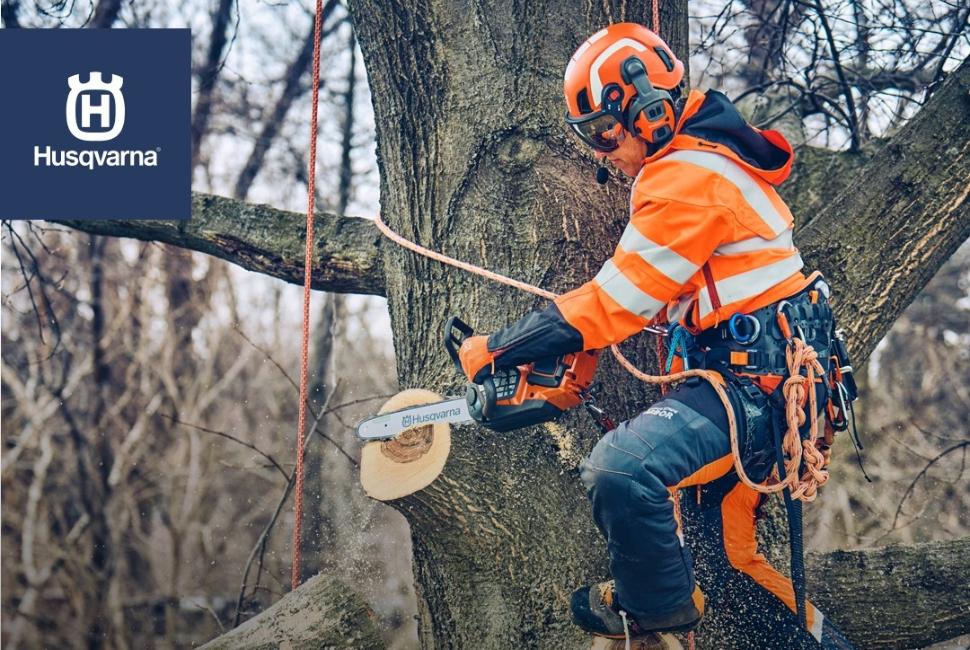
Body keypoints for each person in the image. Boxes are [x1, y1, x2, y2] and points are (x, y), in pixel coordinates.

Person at [457, 22, 855, 649]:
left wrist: (498, 350)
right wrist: (577, 360)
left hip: (757, 383)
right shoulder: (701, 161)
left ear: (646, 104)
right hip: (753, 377)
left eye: (606, 131)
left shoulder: (684, 177)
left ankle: (652, 615)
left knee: (622, 469)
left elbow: (617, 301)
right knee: (732, 570)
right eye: (591, 136)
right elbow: (652, 292)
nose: (602, 150)